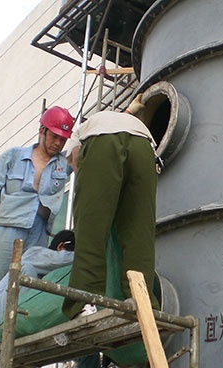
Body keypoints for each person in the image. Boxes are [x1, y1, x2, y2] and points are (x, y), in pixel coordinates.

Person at [0, 106, 74, 352]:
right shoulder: (13, 156)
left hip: (38, 231)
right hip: (7, 227)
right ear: (42, 131)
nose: (58, 143)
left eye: (63, 139)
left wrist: (128, 113)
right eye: (54, 136)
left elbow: (88, 145)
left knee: (26, 283)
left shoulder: (62, 164)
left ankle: (4, 332)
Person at [62, 94, 160, 322]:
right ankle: (142, 301)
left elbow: (83, 157)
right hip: (144, 145)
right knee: (139, 233)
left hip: (104, 143)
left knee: (91, 229)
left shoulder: (78, 141)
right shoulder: (112, 120)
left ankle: (83, 301)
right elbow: (121, 134)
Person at [0, 230, 75, 347]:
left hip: (14, 327)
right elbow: (63, 259)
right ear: (60, 247)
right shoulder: (34, 254)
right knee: (27, 271)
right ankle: (7, 325)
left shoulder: (49, 275)